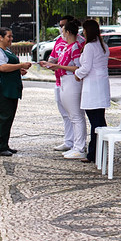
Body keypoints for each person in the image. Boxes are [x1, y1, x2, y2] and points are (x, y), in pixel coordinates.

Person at [41, 20, 86, 159]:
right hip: (64, 81)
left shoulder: (75, 47)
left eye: (63, 30)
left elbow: (78, 67)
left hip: (72, 81)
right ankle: (74, 145)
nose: (62, 32)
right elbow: (57, 61)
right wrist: (50, 65)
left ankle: (80, 147)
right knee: (71, 116)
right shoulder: (68, 46)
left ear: (68, 32)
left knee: (76, 116)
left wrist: (59, 67)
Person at [0, 27, 32, 157]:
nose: (11, 39)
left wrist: (18, 71)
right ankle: (0, 146)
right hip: (2, 86)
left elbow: (9, 67)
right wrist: (20, 66)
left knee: (9, 116)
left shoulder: (6, 50)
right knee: (4, 116)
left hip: (12, 85)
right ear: (0, 38)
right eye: (9, 36)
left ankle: (5, 144)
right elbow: (2, 67)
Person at [75, 19, 111, 163]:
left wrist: (78, 74)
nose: (82, 32)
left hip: (92, 87)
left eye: (84, 30)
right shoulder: (103, 46)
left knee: (96, 123)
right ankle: (99, 152)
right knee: (99, 120)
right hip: (101, 86)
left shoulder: (90, 46)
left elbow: (86, 67)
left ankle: (94, 154)